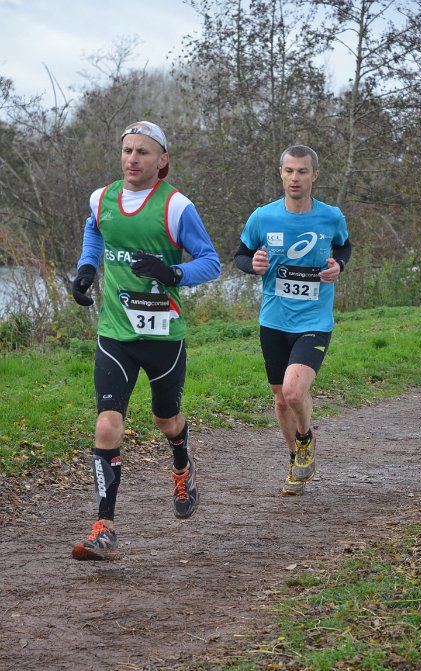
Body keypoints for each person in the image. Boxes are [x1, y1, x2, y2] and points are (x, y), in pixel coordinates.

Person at [71, 120, 221, 560]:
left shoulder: (176, 207)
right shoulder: (102, 198)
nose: (132, 159)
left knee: (166, 419)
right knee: (106, 424)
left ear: (162, 160)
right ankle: (104, 527)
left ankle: (182, 465)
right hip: (116, 332)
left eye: (143, 152)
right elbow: (95, 230)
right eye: (127, 150)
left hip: (163, 336)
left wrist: (173, 272)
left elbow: (211, 262)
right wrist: (87, 268)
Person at [234, 145, 351, 495]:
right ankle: (295, 458)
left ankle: (305, 439)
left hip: (314, 321)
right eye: (289, 171)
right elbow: (240, 255)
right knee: (281, 398)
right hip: (273, 320)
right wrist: (252, 265)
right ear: (281, 173)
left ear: (315, 175)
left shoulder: (331, 217)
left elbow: (344, 248)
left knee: (294, 390)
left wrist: (339, 265)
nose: (295, 178)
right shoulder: (263, 217)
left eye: (302, 171)